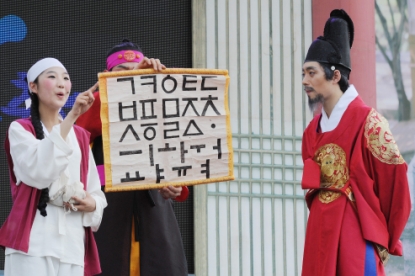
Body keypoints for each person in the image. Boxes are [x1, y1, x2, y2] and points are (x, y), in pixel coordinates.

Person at [300, 10, 411, 275]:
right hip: (318, 233)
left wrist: (380, 233)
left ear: (335, 75)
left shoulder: (370, 123)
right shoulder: (311, 132)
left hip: (355, 235)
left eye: (311, 72)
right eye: (303, 73)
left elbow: (397, 190)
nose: (304, 81)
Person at [76, 39, 189, 276]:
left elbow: (176, 147)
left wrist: (177, 185)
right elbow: (77, 135)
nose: (131, 75)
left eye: (136, 70)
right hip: (110, 204)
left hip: (153, 205)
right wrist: (125, 87)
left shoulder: (158, 103)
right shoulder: (96, 102)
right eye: (122, 71)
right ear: (107, 74)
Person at [0, 58, 107, 276]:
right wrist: (74, 115)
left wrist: (92, 203)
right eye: (52, 76)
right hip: (33, 242)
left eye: (66, 78)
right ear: (33, 86)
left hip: (72, 245)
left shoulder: (81, 137)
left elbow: (96, 191)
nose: (61, 83)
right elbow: (38, 172)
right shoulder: (20, 129)